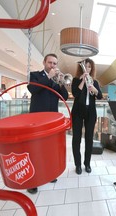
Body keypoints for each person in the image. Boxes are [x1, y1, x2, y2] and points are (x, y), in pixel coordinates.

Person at [26, 53, 69, 194]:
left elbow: (64, 96)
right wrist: (49, 77)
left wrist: (61, 83)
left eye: (55, 63)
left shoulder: (55, 80)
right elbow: (33, 89)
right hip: (37, 118)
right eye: (50, 62)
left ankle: (49, 174)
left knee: (49, 148)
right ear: (44, 62)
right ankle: (33, 181)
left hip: (51, 119)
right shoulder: (35, 75)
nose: (53, 65)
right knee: (35, 149)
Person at [71, 58, 102, 175]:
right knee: (76, 139)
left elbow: (99, 97)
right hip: (78, 112)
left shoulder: (95, 82)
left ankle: (87, 164)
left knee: (89, 139)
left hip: (91, 113)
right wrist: (83, 81)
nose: (87, 69)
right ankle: (78, 165)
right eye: (85, 66)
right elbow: (75, 94)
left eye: (89, 67)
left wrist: (94, 89)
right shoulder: (75, 80)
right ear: (81, 68)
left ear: (92, 68)